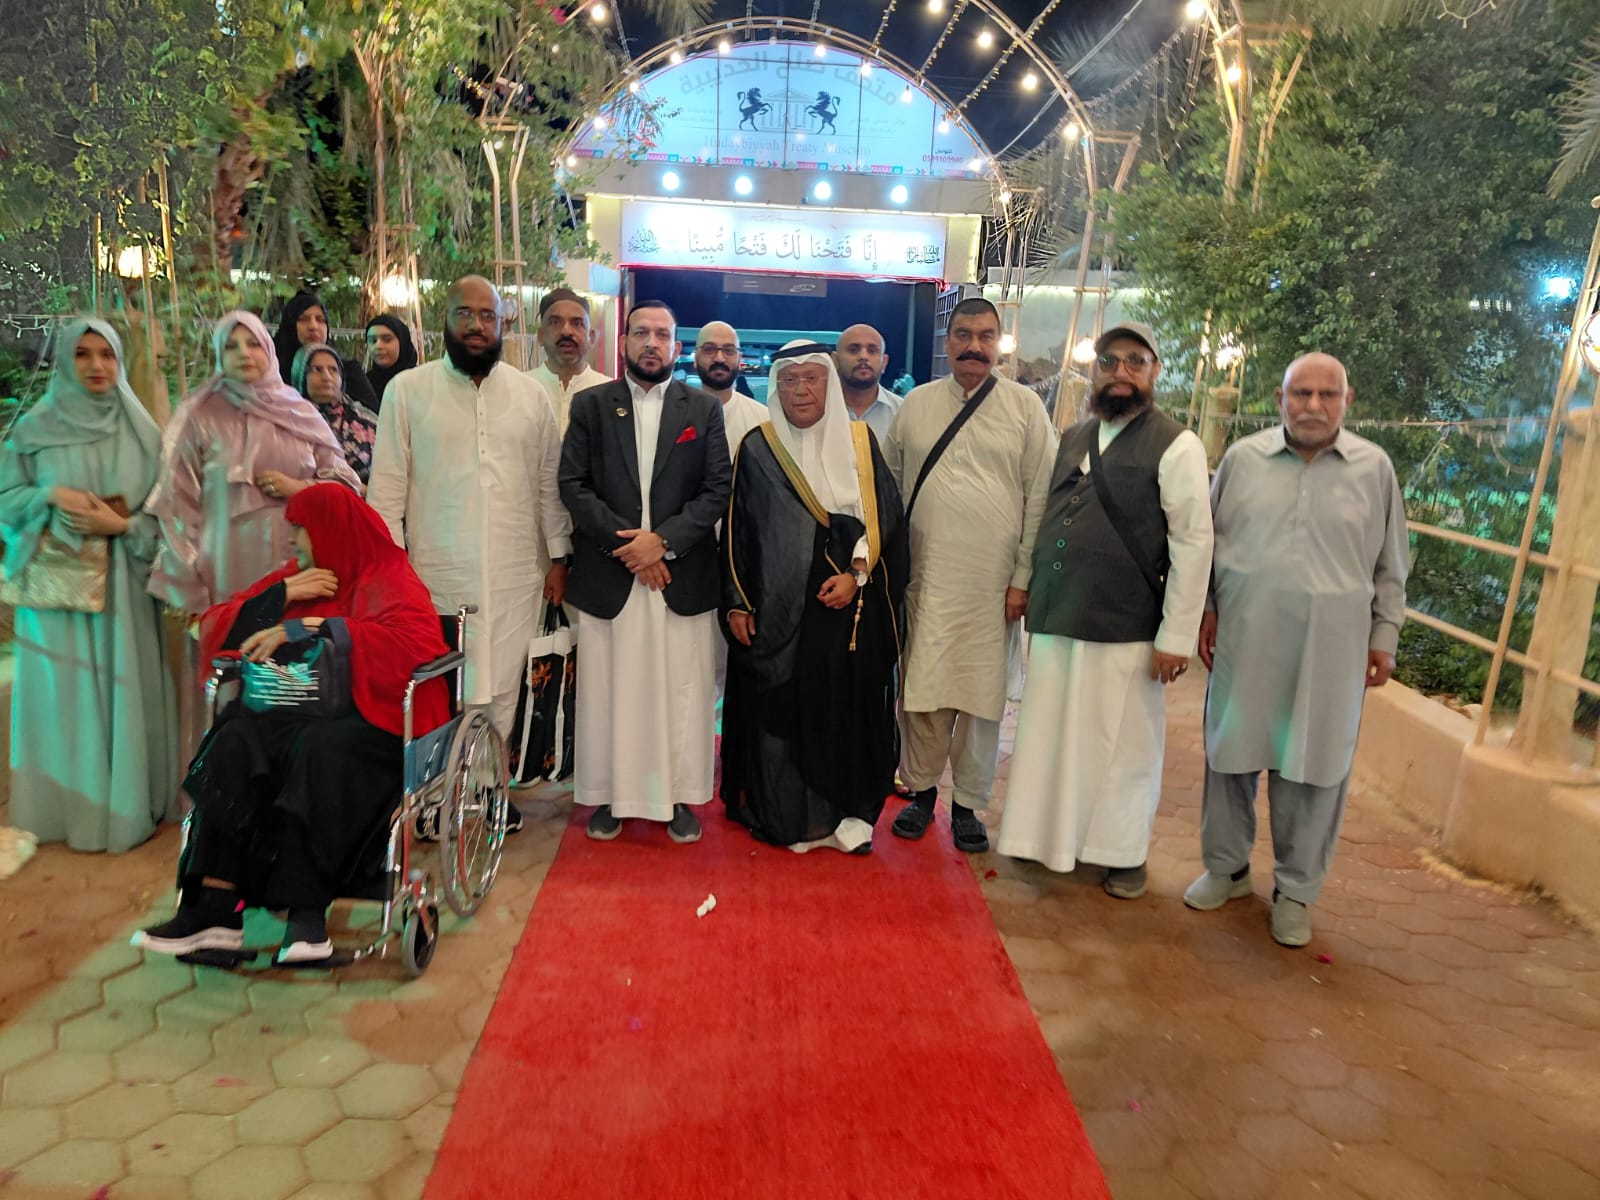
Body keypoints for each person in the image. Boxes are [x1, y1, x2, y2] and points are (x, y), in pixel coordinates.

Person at [132, 483, 451, 965]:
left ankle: (307, 922)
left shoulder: (388, 576)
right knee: (233, 739)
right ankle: (214, 911)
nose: (293, 540)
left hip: (377, 721)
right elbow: (214, 626)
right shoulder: (297, 578)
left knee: (318, 749)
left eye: (302, 529)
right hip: (297, 713)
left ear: (332, 530)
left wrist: (320, 626)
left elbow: (417, 646)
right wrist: (280, 596)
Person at [1186, 352, 1408, 947]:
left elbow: (1391, 566)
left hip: (1330, 653)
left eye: (1326, 395)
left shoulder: (1374, 469)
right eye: (1300, 394)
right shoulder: (1242, 461)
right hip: (1246, 640)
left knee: (1313, 769)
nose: (1313, 405)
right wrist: (1206, 608)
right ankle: (1226, 869)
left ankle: (1295, 892)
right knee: (1229, 756)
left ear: (1347, 401)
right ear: (1280, 399)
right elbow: (1207, 545)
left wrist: (1384, 636)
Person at [996, 322, 1213, 896]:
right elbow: (1047, 515)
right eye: (1110, 361)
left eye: (1135, 362)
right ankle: (1044, 839)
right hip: (1059, 612)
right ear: (1095, 371)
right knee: (1051, 735)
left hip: (1126, 624)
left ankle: (1122, 854)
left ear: (1154, 371)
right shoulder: (1073, 436)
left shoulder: (1177, 444)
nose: (1121, 372)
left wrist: (1177, 636)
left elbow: (1194, 544)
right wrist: (1026, 585)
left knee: (1124, 747)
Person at [368, 277, 571, 813]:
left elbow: (548, 486)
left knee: (503, 686)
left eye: (487, 316)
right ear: (446, 318)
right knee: (445, 684)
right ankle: (438, 800)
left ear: (503, 323)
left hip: (515, 571)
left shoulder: (529, 395)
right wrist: (393, 570)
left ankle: (488, 796)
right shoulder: (407, 391)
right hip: (435, 573)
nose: (476, 326)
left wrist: (559, 557)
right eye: (465, 314)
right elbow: (386, 490)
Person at [884, 298, 1056, 854]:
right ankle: (921, 794)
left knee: (982, 701)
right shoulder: (916, 405)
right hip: (927, 580)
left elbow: (1041, 497)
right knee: (924, 692)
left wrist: (1023, 577)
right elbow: (888, 487)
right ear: (949, 340)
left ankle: (968, 807)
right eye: (963, 334)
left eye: (985, 335)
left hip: (993, 586)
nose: (974, 346)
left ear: (999, 343)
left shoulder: (1026, 408)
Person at [721, 343, 907, 853]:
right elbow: (737, 530)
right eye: (789, 380)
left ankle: (850, 816)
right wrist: (738, 601)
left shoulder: (859, 442)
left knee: (844, 710)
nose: (800, 390)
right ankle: (787, 815)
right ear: (775, 386)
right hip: (776, 609)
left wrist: (856, 576)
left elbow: (885, 520)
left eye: (811, 378)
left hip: (845, 608)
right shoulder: (758, 447)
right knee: (780, 715)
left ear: (829, 382)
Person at [0, 319, 177, 853]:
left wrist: (122, 526)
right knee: (65, 700)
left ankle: (123, 812)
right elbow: (6, 499)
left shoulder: (143, 434)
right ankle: (70, 811)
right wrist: (49, 496)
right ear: (64, 361)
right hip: (57, 594)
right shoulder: (34, 429)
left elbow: (168, 517)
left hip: (124, 588)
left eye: (106, 354)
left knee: (124, 694)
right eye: (82, 354)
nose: (96, 365)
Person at [559, 300, 732, 844]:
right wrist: (632, 548)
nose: (651, 343)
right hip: (613, 575)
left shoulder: (702, 409)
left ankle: (676, 796)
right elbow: (572, 485)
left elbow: (717, 489)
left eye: (662, 334)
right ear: (624, 342)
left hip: (680, 577)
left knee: (679, 694)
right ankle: (612, 796)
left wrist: (664, 543)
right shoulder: (591, 405)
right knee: (611, 693)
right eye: (641, 333)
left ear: (677, 347)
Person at [273, 290, 381, 412]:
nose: (313, 326)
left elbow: (373, 418)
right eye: (303, 319)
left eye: (320, 320)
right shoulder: (273, 374)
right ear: (290, 325)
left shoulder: (349, 371)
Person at [525, 288, 611, 437]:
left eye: (577, 323)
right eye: (555, 322)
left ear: (591, 337)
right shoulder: (520, 389)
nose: (566, 331)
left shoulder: (611, 395)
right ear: (540, 336)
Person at [292, 343, 379, 484]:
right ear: (300, 374)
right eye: (317, 369)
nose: (327, 377)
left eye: (333, 370)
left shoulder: (365, 420)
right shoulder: (289, 419)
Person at [834, 323, 901, 441]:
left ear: (884, 362)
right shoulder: (818, 410)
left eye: (872, 350)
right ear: (835, 360)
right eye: (853, 350)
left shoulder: (902, 413)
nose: (863, 356)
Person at [364, 314, 418, 409]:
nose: (378, 346)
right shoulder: (364, 385)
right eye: (373, 340)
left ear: (402, 342)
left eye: (387, 340)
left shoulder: (420, 382)